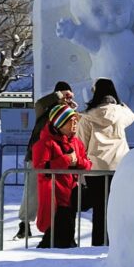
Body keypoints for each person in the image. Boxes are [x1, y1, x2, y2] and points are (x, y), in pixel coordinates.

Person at [76, 78, 134, 246]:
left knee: (99, 209)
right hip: (118, 166)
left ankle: (98, 243)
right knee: (115, 208)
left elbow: (81, 143)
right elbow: (132, 116)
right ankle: (115, 245)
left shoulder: (87, 117)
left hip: (96, 168)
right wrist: (120, 103)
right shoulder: (121, 113)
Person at [16, 81, 77, 239]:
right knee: (32, 191)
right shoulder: (45, 110)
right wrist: (57, 96)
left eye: (69, 95)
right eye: (64, 94)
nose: (67, 98)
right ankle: (25, 223)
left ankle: (54, 225)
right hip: (38, 155)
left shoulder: (69, 112)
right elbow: (39, 104)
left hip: (60, 157)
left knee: (59, 194)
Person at [32, 104, 91, 248]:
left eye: (76, 120)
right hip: (54, 197)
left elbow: (87, 164)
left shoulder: (77, 143)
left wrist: (77, 161)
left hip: (71, 195)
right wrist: (66, 160)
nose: (75, 123)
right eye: (71, 120)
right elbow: (41, 167)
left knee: (66, 234)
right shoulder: (44, 143)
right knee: (55, 235)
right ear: (60, 123)